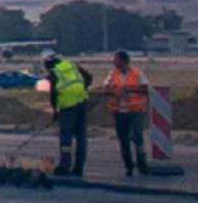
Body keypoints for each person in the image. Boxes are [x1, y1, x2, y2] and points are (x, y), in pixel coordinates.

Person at [42, 48, 92, 176]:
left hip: (68, 107)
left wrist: (55, 111)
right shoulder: (71, 65)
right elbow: (88, 77)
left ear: (48, 62)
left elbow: (53, 94)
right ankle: (79, 168)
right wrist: (81, 90)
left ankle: (65, 166)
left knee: (66, 137)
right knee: (81, 137)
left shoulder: (55, 72)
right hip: (82, 102)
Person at [104, 49, 149, 176]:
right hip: (119, 111)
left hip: (135, 110)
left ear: (124, 61)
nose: (114, 62)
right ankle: (128, 166)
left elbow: (144, 88)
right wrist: (116, 92)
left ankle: (142, 164)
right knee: (123, 140)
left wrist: (127, 89)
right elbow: (106, 88)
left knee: (137, 137)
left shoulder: (137, 73)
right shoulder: (113, 74)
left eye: (116, 59)